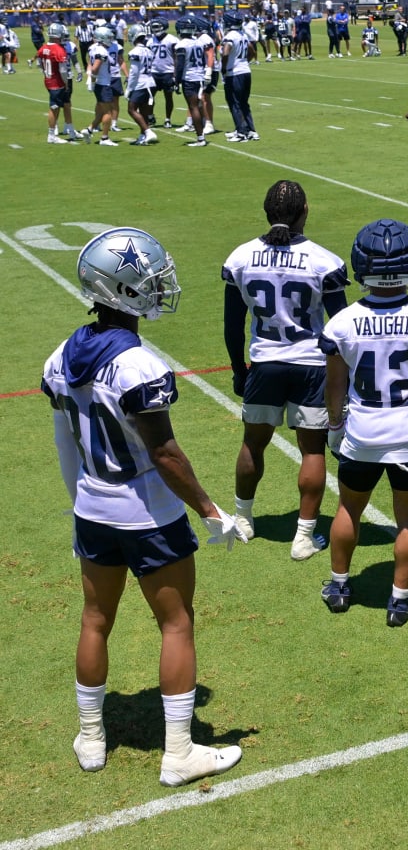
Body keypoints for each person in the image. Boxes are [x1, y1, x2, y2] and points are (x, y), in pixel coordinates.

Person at [43, 227, 243, 785]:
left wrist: (78, 501)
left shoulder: (61, 355)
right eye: (148, 278)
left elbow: (65, 444)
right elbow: (165, 454)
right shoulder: (139, 365)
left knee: (95, 619)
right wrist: (211, 510)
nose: (158, 284)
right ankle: (179, 752)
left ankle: (90, 736)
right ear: (123, 289)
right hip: (149, 517)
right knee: (176, 624)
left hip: (92, 508)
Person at [318, 220, 408, 625]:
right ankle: (399, 601)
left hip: (362, 433)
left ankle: (340, 585)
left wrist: (333, 425)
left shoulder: (342, 322)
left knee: (349, 507)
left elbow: (335, 386)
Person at [222, 180, 350, 560]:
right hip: (310, 365)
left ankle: (243, 518)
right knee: (312, 450)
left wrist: (237, 368)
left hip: (264, 360)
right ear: (304, 211)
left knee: (252, 442)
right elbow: (341, 326)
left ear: (266, 212)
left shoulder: (241, 257)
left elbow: (232, 324)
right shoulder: (323, 261)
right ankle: (303, 537)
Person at [38, 21, 83, 143]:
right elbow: (63, 70)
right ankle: (52, 135)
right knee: (54, 107)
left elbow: (40, 63)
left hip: (49, 79)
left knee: (64, 104)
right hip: (57, 82)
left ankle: (69, 129)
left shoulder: (44, 47)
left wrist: (47, 74)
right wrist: (65, 83)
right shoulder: (58, 49)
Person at [175, 16, 214, 148]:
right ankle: (202, 130)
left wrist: (176, 81)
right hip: (200, 76)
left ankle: (200, 137)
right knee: (198, 104)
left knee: (193, 107)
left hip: (190, 78)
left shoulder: (181, 44)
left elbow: (180, 65)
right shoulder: (198, 42)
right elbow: (203, 60)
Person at [220, 12, 258, 143]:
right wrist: (244, 62)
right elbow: (252, 51)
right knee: (243, 103)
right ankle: (251, 130)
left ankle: (241, 133)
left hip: (234, 73)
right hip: (246, 71)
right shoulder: (243, 35)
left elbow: (225, 53)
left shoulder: (230, 36)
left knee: (234, 103)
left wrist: (224, 68)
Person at [123, 23, 158, 146]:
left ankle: (148, 132)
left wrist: (129, 88)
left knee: (131, 109)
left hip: (141, 84)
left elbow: (134, 72)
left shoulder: (135, 52)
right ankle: (143, 136)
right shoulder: (148, 51)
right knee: (143, 112)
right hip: (150, 82)